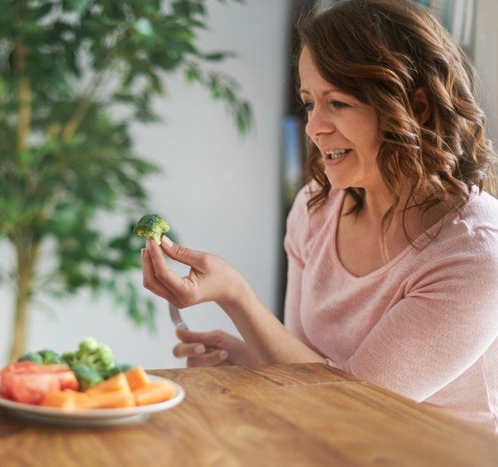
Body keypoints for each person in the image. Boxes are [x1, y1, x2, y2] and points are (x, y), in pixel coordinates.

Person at [141, 0, 498, 433]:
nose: (313, 127)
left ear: (417, 107)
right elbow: (313, 369)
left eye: (339, 103)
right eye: (310, 103)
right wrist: (246, 355)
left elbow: (356, 409)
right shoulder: (317, 206)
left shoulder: (475, 254)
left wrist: (236, 295)